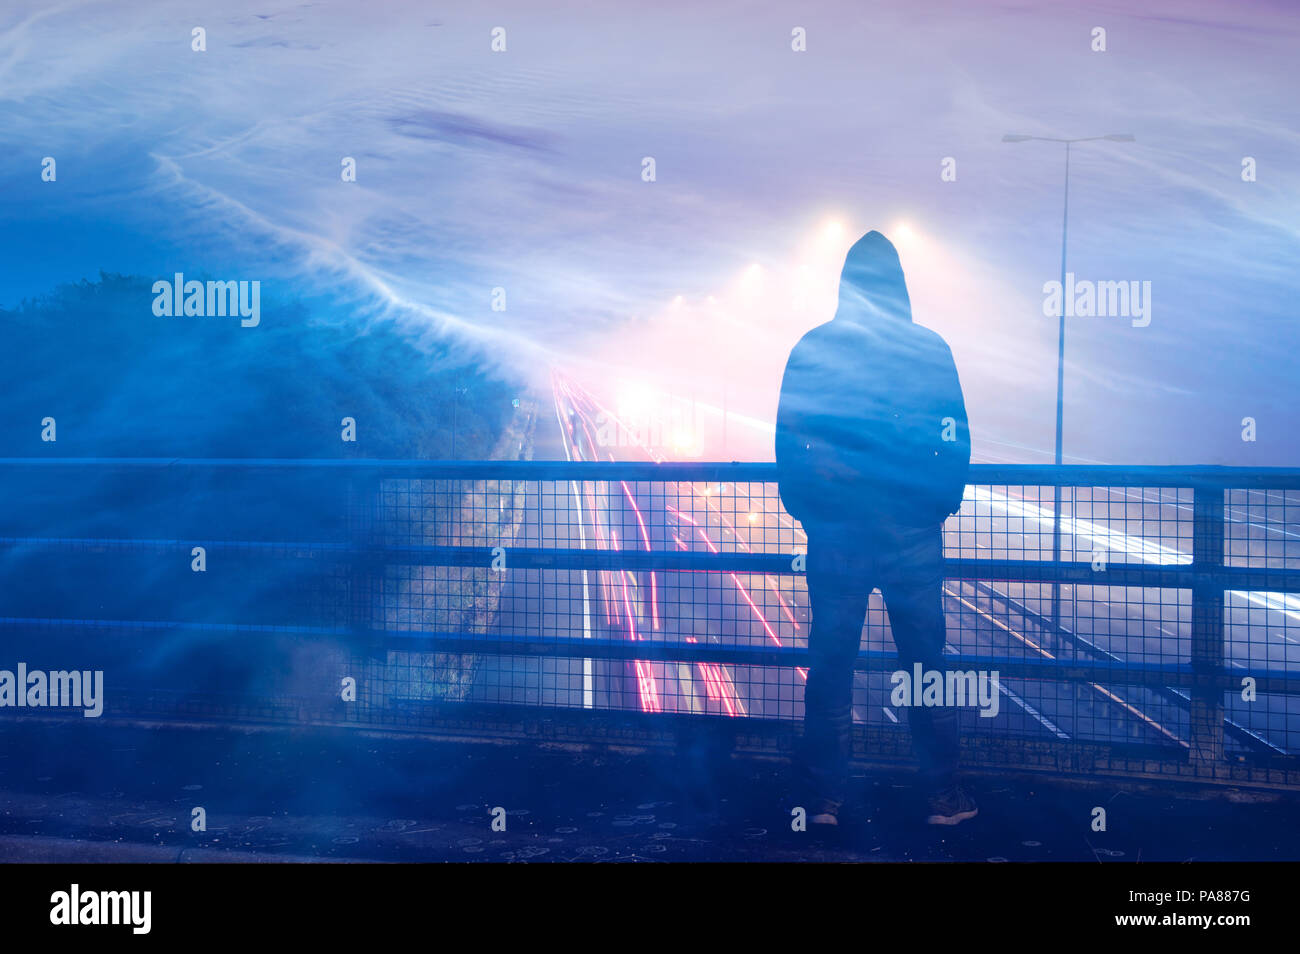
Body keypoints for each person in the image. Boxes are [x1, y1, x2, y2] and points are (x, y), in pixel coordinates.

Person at [775, 229, 975, 827]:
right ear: (901, 287)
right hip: (910, 535)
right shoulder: (928, 349)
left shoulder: (814, 347)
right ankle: (944, 796)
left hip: (838, 536)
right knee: (924, 670)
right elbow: (953, 434)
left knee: (831, 667)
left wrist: (812, 508)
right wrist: (933, 505)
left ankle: (824, 799)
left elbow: (790, 441)